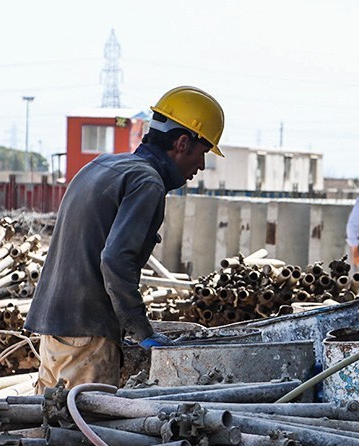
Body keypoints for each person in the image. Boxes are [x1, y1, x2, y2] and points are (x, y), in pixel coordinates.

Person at [24, 85, 225, 393]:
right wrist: (141, 330)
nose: (200, 167)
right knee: (82, 421)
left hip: (55, 327)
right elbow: (115, 260)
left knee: (50, 416)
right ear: (183, 143)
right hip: (88, 336)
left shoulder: (101, 166)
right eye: (203, 154)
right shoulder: (147, 181)